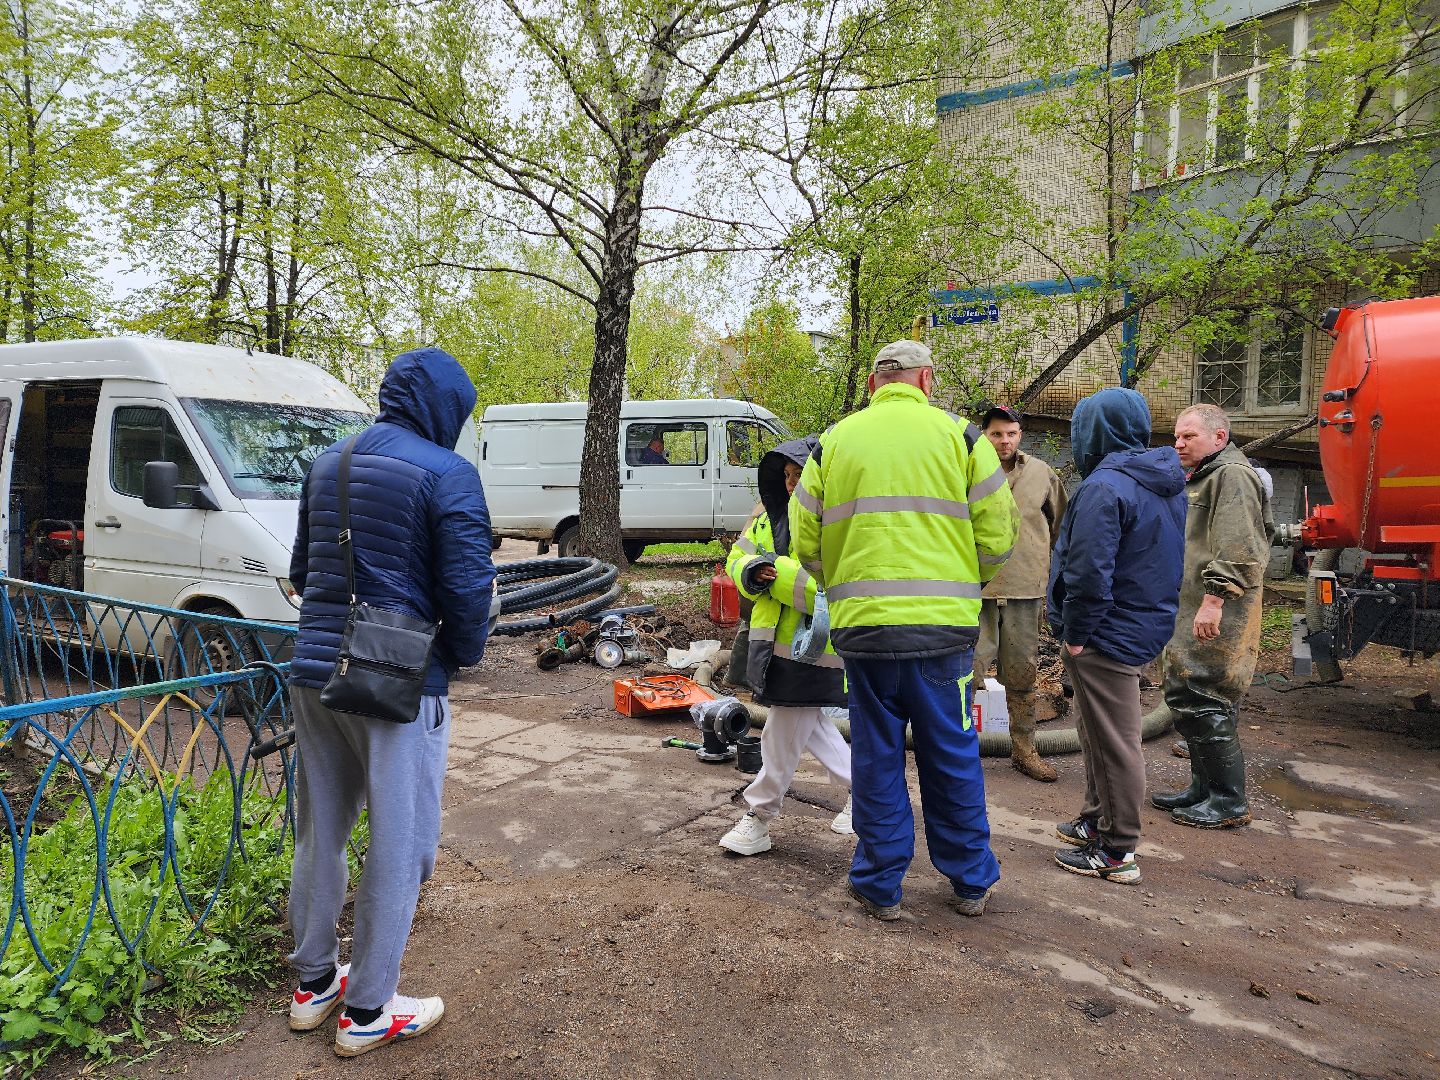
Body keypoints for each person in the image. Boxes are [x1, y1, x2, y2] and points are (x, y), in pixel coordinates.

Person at [286, 346, 496, 1057]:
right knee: (401, 849)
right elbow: (467, 592)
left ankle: (315, 985)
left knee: (321, 834)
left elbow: (299, 570)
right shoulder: (448, 474)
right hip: (397, 684)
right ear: (445, 408)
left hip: (314, 674)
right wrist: (463, 657)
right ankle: (369, 1008)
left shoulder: (327, 463)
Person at [790, 340, 1017, 921]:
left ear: (873, 384)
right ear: (927, 380)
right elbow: (997, 539)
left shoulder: (833, 443)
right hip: (944, 637)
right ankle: (970, 882)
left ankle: (878, 883)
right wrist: (962, 584)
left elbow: (806, 544)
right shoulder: (965, 439)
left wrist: (844, 585)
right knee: (953, 754)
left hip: (865, 635)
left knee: (876, 756)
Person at [1048, 388, 1186, 885]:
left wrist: (1078, 632)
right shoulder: (1160, 480)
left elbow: (1088, 570)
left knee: (1114, 740)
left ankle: (1116, 848)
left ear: (1093, 431)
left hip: (1106, 630)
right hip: (1141, 620)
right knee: (1096, 730)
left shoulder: (1105, 487)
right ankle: (1096, 819)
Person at [719, 437, 853, 855]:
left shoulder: (835, 519)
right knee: (808, 723)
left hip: (813, 646)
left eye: (800, 474)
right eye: (788, 476)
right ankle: (869, 796)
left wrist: (775, 574)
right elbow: (735, 558)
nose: (793, 483)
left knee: (783, 724)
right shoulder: (765, 518)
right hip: (771, 644)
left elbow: (831, 585)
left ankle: (759, 815)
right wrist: (752, 568)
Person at [1153, 404, 1273, 829]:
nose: (1178, 443)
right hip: (1195, 603)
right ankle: (1202, 789)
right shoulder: (1206, 475)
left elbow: (1239, 546)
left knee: (1202, 694)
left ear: (1219, 438)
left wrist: (1215, 599)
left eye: (1189, 436)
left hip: (1220, 607)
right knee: (1194, 695)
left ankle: (1228, 800)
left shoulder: (1232, 476)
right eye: (1177, 436)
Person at [973, 405, 1068, 782]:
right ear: (984, 435)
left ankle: (1024, 751)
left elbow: (1061, 526)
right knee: (964, 673)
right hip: (974, 590)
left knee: (1022, 674)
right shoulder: (967, 472)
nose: (1004, 441)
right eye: (996, 434)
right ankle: (957, 752)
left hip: (1024, 590)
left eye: (1011, 433)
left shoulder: (1042, 473)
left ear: (1020, 435)